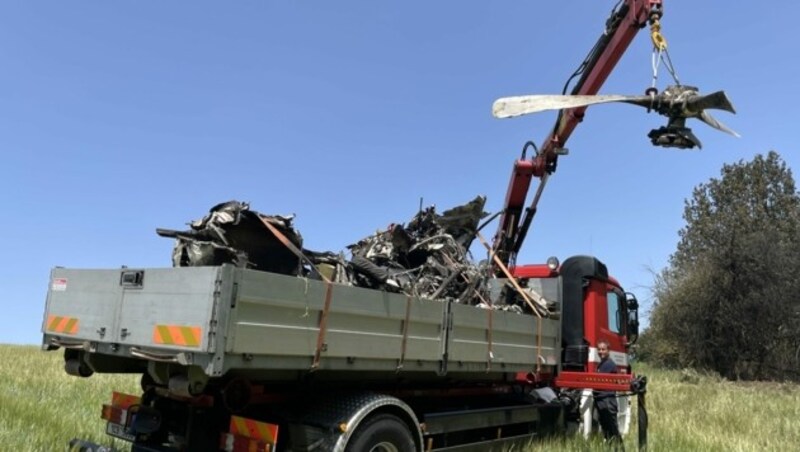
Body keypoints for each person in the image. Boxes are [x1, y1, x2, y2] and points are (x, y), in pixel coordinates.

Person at [595, 340, 623, 448]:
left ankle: (620, 449)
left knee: (613, 430)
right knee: (606, 431)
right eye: (599, 349)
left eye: (603, 349)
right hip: (601, 400)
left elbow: (599, 382)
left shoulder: (609, 364)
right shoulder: (601, 364)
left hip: (607, 401)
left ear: (608, 351)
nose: (601, 351)